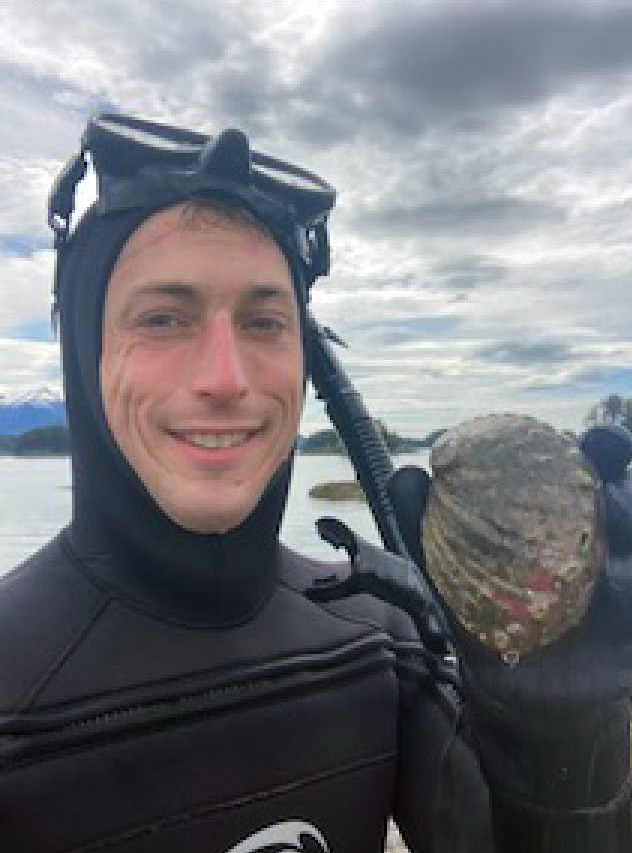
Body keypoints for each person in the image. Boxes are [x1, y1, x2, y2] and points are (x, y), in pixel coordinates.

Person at [0, 112, 630, 853]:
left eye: (265, 322)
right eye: (164, 317)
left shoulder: (383, 638)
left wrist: (561, 751)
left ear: (307, 361)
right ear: (82, 351)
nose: (225, 379)